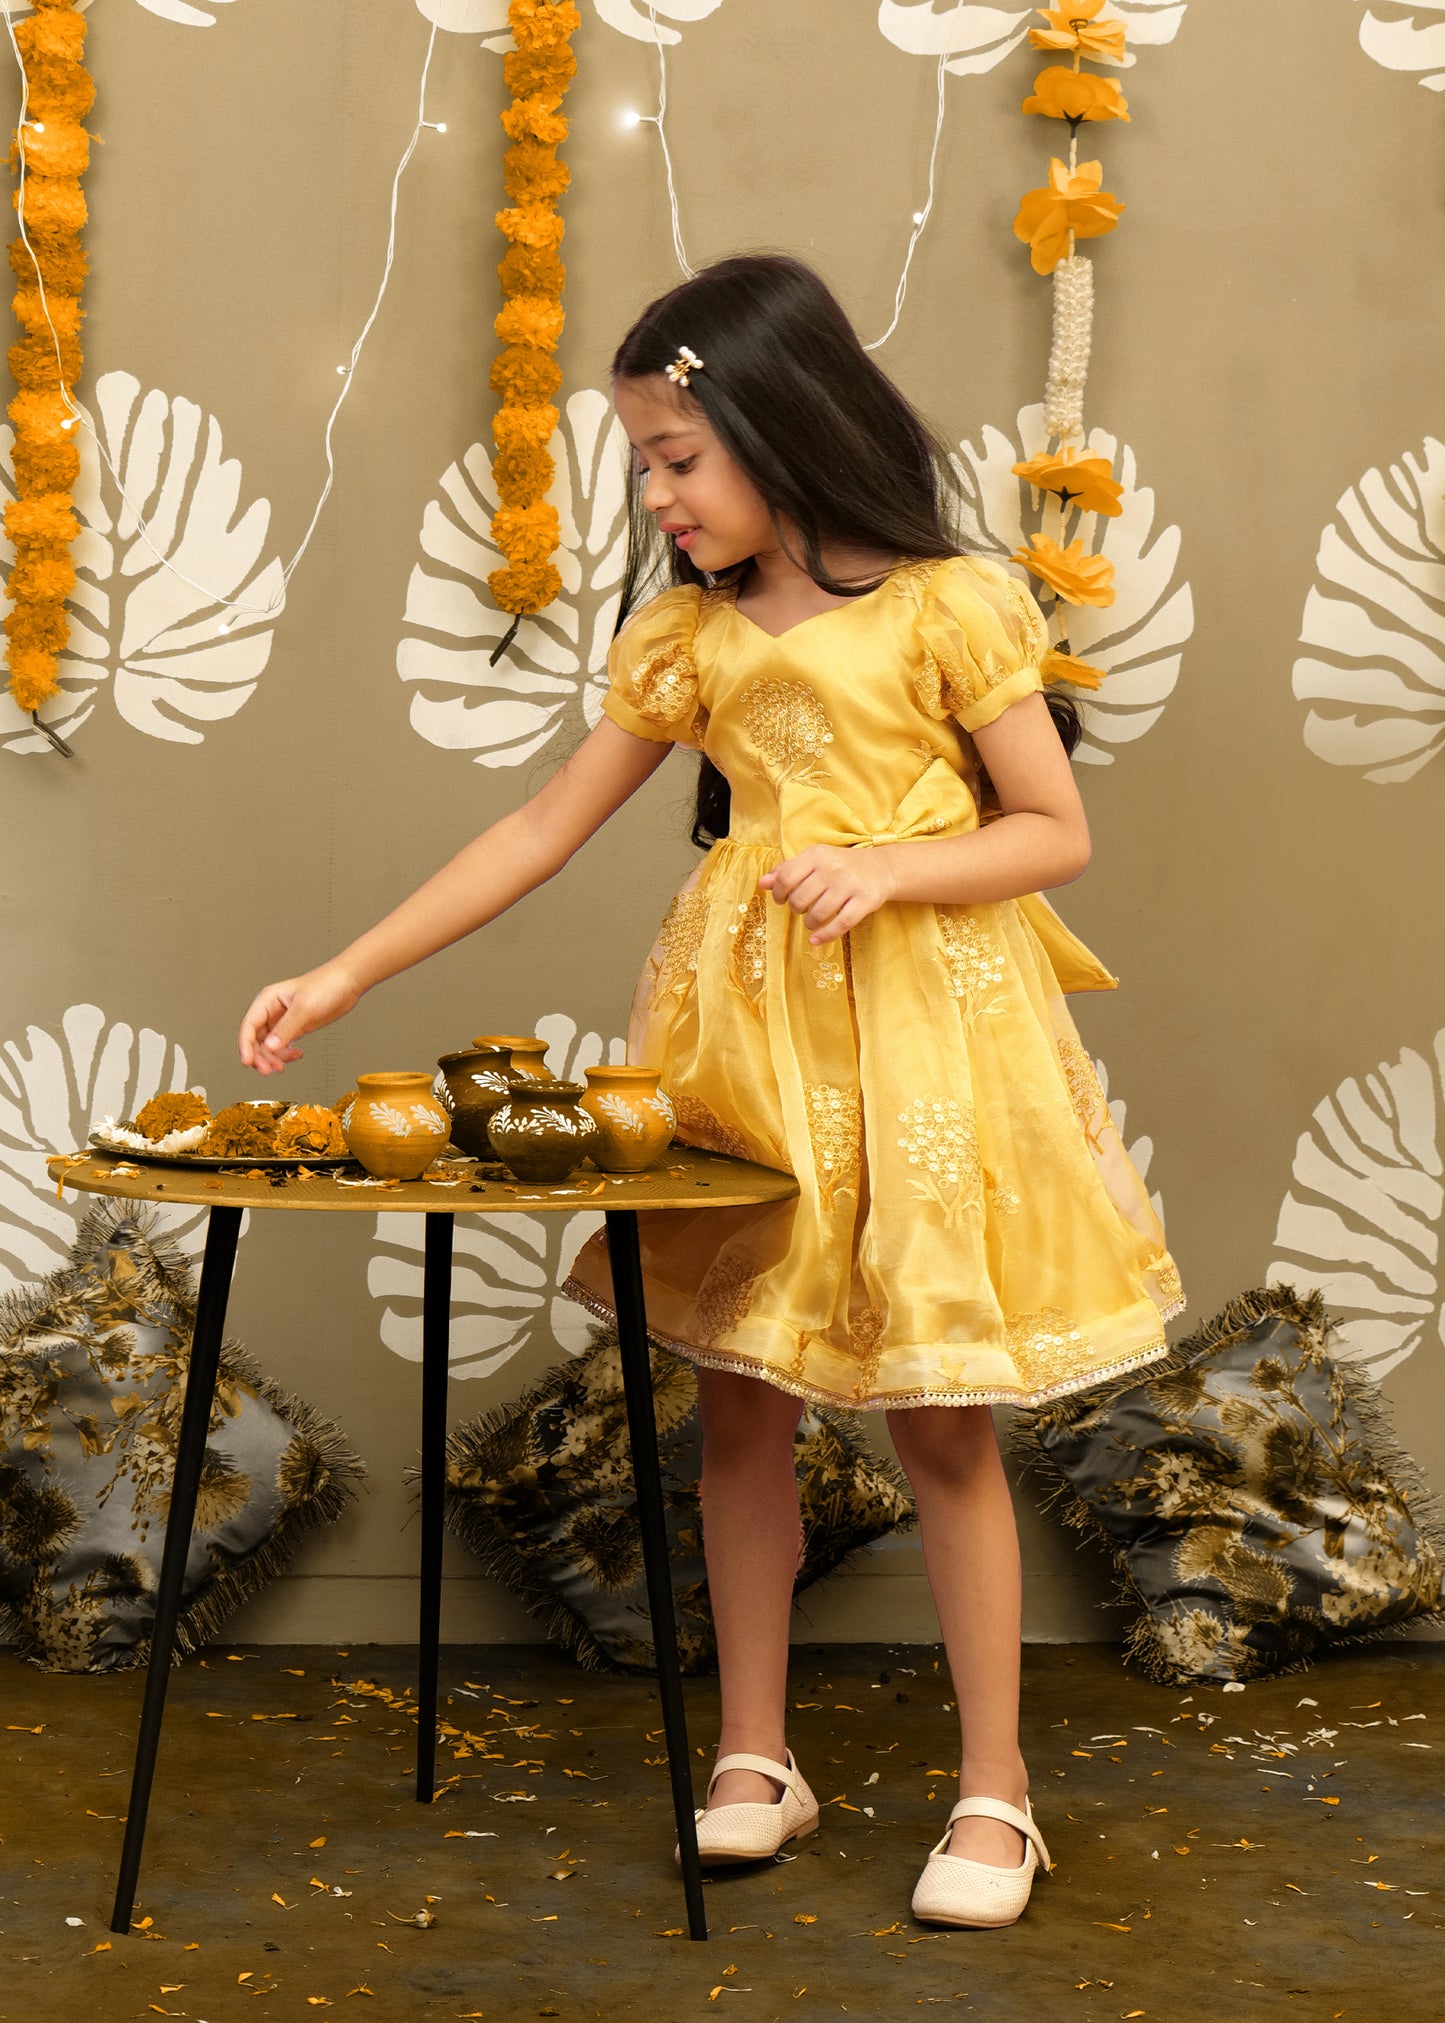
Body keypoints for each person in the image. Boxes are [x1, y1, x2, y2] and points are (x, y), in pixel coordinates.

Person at [239, 254, 1184, 1930]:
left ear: (777, 422)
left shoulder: (950, 606)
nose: (657, 496)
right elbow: (540, 827)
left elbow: (1057, 833)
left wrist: (890, 873)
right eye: (642, 467)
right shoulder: (681, 638)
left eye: (679, 456)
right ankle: (755, 1752)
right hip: (743, 1044)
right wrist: (347, 972)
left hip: (918, 1040)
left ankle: (995, 1793)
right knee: (739, 1401)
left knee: (936, 1414)